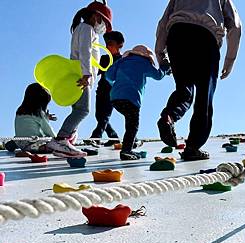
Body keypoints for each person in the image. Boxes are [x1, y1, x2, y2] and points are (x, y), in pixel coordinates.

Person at [155, 0, 242, 161]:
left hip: (177, 35)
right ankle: (193, 147)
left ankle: (168, 117)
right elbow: (235, 26)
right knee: (204, 96)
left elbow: (163, 22)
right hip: (205, 38)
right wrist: (230, 60)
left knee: (184, 88)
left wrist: (160, 54)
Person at [46, 0, 113, 158]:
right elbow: (85, 52)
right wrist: (87, 75)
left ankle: (68, 142)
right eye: (104, 22)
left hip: (81, 74)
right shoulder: (87, 29)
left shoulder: (82, 28)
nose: (103, 26)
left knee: (77, 110)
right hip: (81, 76)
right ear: (96, 17)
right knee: (83, 110)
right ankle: (61, 139)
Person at [105, 46, 169, 160]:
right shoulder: (144, 63)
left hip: (115, 98)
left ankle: (131, 143)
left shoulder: (122, 61)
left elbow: (108, 76)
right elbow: (158, 76)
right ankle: (126, 150)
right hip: (132, 99)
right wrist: (165, 68)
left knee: (129, 122)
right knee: (132, 125)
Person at [89, 30, 125, 146]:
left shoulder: (122, 60)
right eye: (106, 43)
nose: (107, 46)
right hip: (101, 91)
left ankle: (95, 137)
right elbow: (96, 71)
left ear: (120, 45)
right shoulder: (104, 58)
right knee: (99, 115)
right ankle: (113, 137)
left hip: (113, 92)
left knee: (104, 116)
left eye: (110, 43)